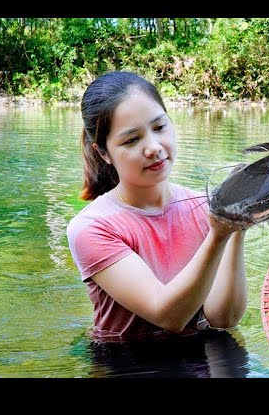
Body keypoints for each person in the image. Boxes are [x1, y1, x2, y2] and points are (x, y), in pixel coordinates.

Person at [66, 70, 250, 344]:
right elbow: (168, 316)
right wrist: (219, 233)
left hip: (200, 352)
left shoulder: (206, 207)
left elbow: (222, 319)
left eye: (160, 127)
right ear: (103, 152)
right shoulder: (91, 228)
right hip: (127, 362)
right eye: (131, 140)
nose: (153, 147)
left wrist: (237, 227)